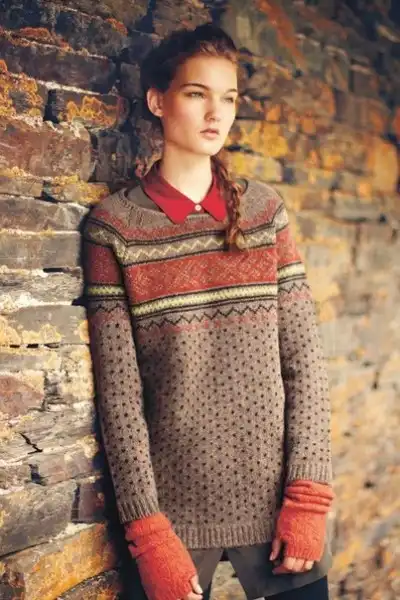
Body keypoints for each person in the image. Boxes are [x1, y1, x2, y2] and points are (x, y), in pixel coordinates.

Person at [82, 23, 334, 600]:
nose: (216, 113)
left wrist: (309, 499)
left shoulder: (265, 212)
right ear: (158, 101)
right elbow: (120, 398)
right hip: (173, 516)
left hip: (279, 504)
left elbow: (304, 364)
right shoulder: (114, 229)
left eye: (229, 98)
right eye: (197, 94)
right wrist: (149, 533)